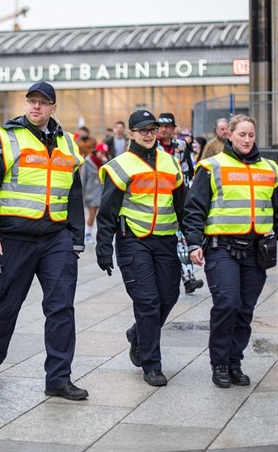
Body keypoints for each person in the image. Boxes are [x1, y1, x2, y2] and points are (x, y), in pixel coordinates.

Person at [0, 81, 88, 401]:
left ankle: (58, 378)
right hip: (13, 237)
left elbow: (74, 193)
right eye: (31, 101)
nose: (36, 107)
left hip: (56, 237)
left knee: (61, 308)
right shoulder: (5, 138)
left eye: (43, 102)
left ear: (54, 108)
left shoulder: (68, 144)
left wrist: (76, 237)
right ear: (25, 105)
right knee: (7, 306)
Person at [182, 114, 278, 389]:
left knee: (245, 310)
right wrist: (193, 243)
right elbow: (194, 209)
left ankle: (235, 362)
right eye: (241, 135)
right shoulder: (212, 166)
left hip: (257, 251)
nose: (247, 140)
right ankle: (220, 363)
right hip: (221, 248)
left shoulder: (270, 169)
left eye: (251, 135)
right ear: (229, 136)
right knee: (228, 304)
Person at [96, 110, 186, 387]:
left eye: (152, 129)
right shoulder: (120, 165)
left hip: (165, 240)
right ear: (131, 134)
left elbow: (183, 205)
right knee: (147, 302)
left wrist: (195, 239)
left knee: (169, 296)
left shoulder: (171, 162)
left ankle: (138, 334)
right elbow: (107, 210)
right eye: (142, 130)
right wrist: (103, 249)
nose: (148, 134)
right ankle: (152, 364)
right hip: (133, 240)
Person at [158, 112, 204, 294]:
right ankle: (175, 277)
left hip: (180, 196)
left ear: (173, 129)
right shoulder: (153, 147)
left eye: (167, 126)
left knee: (183, 238)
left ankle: (188, 278)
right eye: (160, 126)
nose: (163, 130)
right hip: (160, 198)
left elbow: (189, 170)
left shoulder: (181, 145)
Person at [81, 142, 110, 244]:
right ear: (96, 151)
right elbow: (83, 179)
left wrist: (105, 163)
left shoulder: (106, 163)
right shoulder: (88, 162)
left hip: (102, 193)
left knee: (101, 215)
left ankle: (99, 235)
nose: (103, 155)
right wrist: (82, 193)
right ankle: (87, 234)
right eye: (101, 153)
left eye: (105, 153)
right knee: (92, 215)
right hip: (91, 192)